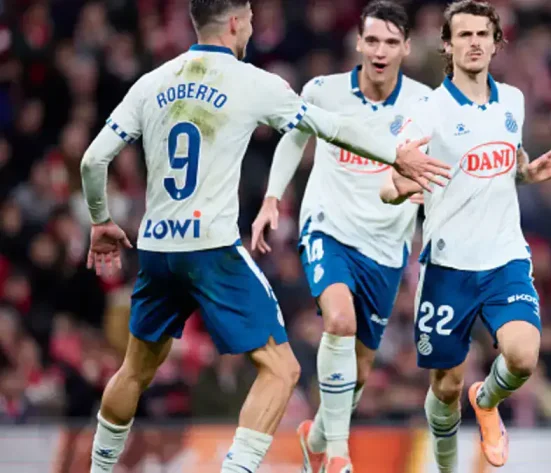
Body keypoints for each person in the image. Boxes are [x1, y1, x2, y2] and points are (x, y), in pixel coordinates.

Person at [78, 0, 450, 472]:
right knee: (282, 369)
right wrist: (397, 154)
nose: (252, 28)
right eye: (250, 20)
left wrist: (100, 219)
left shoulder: (152, 82)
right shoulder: (251, 82)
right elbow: (328, 126)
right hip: (211, 249)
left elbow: (93, 161)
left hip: (156, 249)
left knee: (135, 369)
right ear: (235, 23)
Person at [379, 1, 551, 470]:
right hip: (448, 266)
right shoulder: (429, 109)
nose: (473, 43)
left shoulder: (513, 101)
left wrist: (526, 172)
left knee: (523, 356)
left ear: (495, 43)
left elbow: (504, 162)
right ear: (447, 44)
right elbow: (391, 180)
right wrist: (397, 187)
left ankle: (486, 400)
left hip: (505, 257)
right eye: (463, 35)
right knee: (444, 387)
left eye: (481, 35)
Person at [249, 2, 429, 472]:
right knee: (339, 322)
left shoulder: (426, 104)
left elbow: (431, 171)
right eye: (373, 40)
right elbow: (293, 136)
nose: (381, 51)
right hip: (328, 225)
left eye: (391, 42)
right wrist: (272, 198)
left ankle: (321, 435)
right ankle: (339, 456)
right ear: (358, 43)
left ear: (407, 47)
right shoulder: (324, 91)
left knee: (362, 367)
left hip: (387, 243)